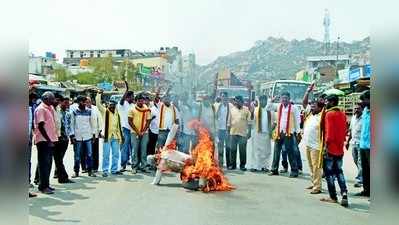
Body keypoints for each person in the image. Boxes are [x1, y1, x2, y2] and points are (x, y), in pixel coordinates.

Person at [320, 94, 349, 207]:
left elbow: (329, 134)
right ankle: (344, 192)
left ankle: (333, 196)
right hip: (339, 148)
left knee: (329, 174)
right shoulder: (342, 114)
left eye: (327, 102)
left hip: (330, 148)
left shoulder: (329, 114)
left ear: (332, 102)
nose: (325, 103)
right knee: (339, 172)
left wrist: (325, 147)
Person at [268, 91, 301, 178]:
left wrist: (298, 132)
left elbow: (298, 120)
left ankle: (294, 171)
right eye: (283, 98)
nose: (284, 100)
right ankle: (274, 169)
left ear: (289, 99)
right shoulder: (279, 106)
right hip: (279, 132)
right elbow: (268, 107)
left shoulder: (294, 108)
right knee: (276, 152)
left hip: (289, 132)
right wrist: (271, 100)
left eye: (286, 98)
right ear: (281, 99)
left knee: (291, 152)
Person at [34, 91, 58, 194]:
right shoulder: (41, 109)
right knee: (44, 164)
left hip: (50, 140)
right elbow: (40, 126)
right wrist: (48, 140)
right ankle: (43, 186)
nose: (54, 100)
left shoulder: (50, 108)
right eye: (52, 99)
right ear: (46, 99)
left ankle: (46, 184)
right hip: (44, 141)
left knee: (48, 164)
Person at [96, 92, 124, 177]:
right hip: (106, 136)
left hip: (115, 136)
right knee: (106, 154)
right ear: (108, 104)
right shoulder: (105, 111)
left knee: (116, 154)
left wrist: (121, 136)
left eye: (113, 105)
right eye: (110, 104)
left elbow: (119, 125)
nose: (112, 106)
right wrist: (98, 94)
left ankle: (114, 169)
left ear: (115, 105)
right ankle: (105, 170)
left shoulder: (117, 113)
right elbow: (98, 104)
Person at [70, 95, 97, 178]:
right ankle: (76, 172)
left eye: (85, 101)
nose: (84, 103)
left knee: (89, 154)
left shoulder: (89, 111)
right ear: (78, 102)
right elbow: (72, 124)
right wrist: (72, 135)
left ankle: (90, 171)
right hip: (78, 136)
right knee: (77, 155)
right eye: (82, 101)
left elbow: (93, 123)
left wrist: (93, 135)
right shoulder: (74, 112)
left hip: (88, 136)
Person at [128, 94, 152, 174]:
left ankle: (143, 166)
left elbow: (148, 121)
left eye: (142, 100)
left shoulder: (147, 110)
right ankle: (134, 167)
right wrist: (138, 132)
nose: (141, 102)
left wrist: (143, 131)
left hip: (144, 133)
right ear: (136, 101)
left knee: (144, 150)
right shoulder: (132, 109)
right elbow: (130, 121)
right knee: (135, 150)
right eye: (139, 100)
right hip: (134, 133)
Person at [53, 97, 74, 183]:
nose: (67, 105)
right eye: (65, 103)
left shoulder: (68, 113)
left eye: (68, 103)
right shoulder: (56, 112)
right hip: (57, 138)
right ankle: (62, 177)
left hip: (65, 138)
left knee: (59, 158)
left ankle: (57, 173)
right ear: (60, 102)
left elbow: (69, 126)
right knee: (57, 158)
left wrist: (71, 136)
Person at [228, 96, 252, 171]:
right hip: (233, 132)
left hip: (243, 133)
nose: (237, 102)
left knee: (242, 150)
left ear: (242, 101)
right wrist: (228, 132)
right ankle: (233, 165)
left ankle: (242, 165)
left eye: (239, 101)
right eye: (236, 101)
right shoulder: (231, 110)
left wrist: (249, 132)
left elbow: (249, 122)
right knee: (233, 149)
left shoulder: (246, 110)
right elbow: (229, 122)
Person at [250, 95, 272, 172]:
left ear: (266, 101)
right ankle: (255, 166)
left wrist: (272, 130)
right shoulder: (255, 110)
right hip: (257, 133)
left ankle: (265, 166)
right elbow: (251, 121)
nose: (263, 102)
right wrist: (252, 113)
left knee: (266, 151)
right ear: (259, 101)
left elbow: (274, 122)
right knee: (256, 150)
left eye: (265, 100)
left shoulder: (269, 111)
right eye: (262, 100)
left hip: (267, 133)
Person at [355, 90, 370, 197]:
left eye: (363, 99)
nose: (361, 102)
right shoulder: (365, 111)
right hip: (363, 145)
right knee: (365, 170)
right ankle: (366, 190)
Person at [118, 81, 134, 172]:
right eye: (132, 96)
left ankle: (133, 165)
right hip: (125, 129)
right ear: (128, 97)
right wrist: (126, 90)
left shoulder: (133, 105)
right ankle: (123, 165)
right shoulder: (123, 104)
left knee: (132, 147)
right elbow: (122, 100)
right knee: (125, 147)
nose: (133, 98)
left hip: (133, 129)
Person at [347, 103, 363, 188]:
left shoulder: (365, 118)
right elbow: (351, 130)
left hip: (361, 144)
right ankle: (363, 175)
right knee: (355, 160)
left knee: (360, 162)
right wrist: (347, 142)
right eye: (355, 108)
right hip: (353, 143)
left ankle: (359, 179)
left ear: (362, 109)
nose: (356, 110)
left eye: (358, 109)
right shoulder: (353, 118)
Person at [86, 96, 102, 173]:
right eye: (86, 101)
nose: (88, 103)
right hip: (86, 134)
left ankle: (95, 167)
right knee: (88, 151)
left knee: (95, 151)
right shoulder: (83, 109)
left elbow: (100, 119)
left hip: (95, 133)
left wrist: (99, 131)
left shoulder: (95, 108)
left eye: (89, 101)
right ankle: (88, 167)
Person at [215, 92, 231, 168]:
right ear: (220, 98)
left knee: (228, 147)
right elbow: (215, 117)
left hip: (227, 130)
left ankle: (228, 164)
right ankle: (220, 163)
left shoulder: (230, 106)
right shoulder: (217, 106)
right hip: (220, 130)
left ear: (227, 97)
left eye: (225, 96)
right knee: (220, 147)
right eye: (222, 96)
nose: (224, 98)